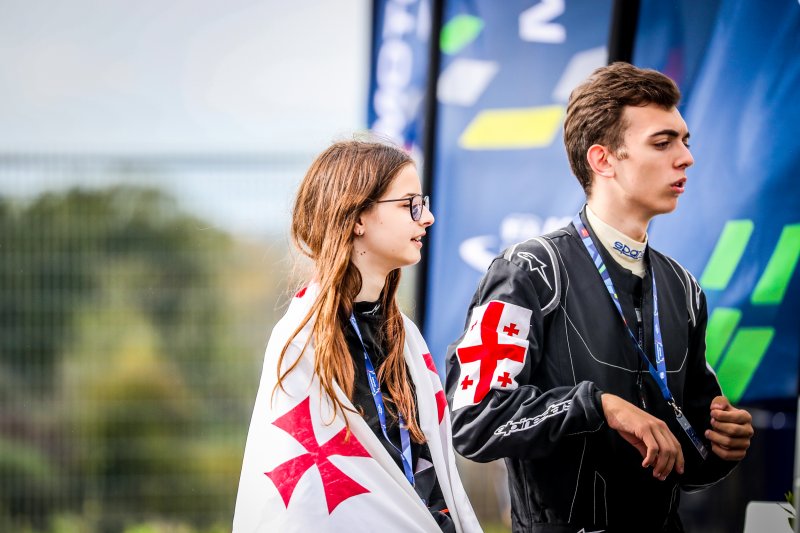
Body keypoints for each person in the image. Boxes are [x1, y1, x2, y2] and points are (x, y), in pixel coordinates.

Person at [445, 62, 754, 532]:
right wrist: (601, 406)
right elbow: (473, 418)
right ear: (603, 160)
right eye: (662, 142)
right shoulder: (529, 270)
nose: (686, 157)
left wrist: (721, 444)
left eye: (685, 141)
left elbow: (687, 459)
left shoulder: (683, 288)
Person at [234, 139, 481, 533]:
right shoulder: (302, 341)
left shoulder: (405, 337)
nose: (428, 217)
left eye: (423, 203)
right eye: (409, 205)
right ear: (358, 218)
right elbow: (299, 505)